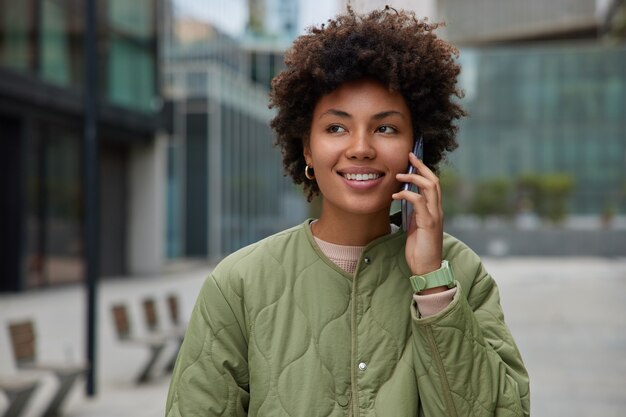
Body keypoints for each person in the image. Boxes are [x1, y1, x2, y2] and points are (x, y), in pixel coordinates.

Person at [165, 7, 530, 417]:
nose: (360, 147)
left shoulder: (461, 273)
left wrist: (432, 285)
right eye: (336, 127)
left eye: (386, 127)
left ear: (420, 147)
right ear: (306, 147)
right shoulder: (239, 284)